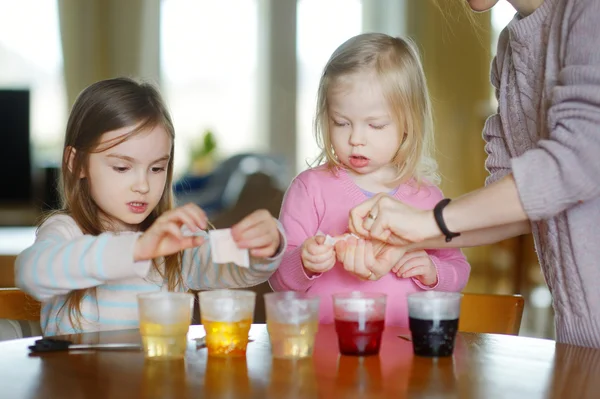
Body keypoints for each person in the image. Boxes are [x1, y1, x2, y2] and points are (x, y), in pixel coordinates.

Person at [349, 0, 600, 347]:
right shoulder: (511, 51)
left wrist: (427, 222)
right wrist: (406, 238)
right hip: (582, 344)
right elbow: (517, 205)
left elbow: (578, 161)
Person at [15, 77, 286, 336]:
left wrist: (263, 245)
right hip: (81, 382)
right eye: (122, 167)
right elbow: (30, 272)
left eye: (157, 168)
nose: (143, 185)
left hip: (158, 381)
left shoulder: (176, 241)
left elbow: (238, 268)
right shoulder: (66, 230)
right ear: (77, 163)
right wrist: (139, 249)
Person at [268, 33, 470, 326]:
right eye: (341, 123)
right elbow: (279, 280)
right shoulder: (309, 189)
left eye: (375, 125)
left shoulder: (427, 198)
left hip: (405, 354)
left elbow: (458, 270)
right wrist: (303, 262)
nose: (356, 139)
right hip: (325, 354)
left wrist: (433, 270)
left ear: (407, 125)